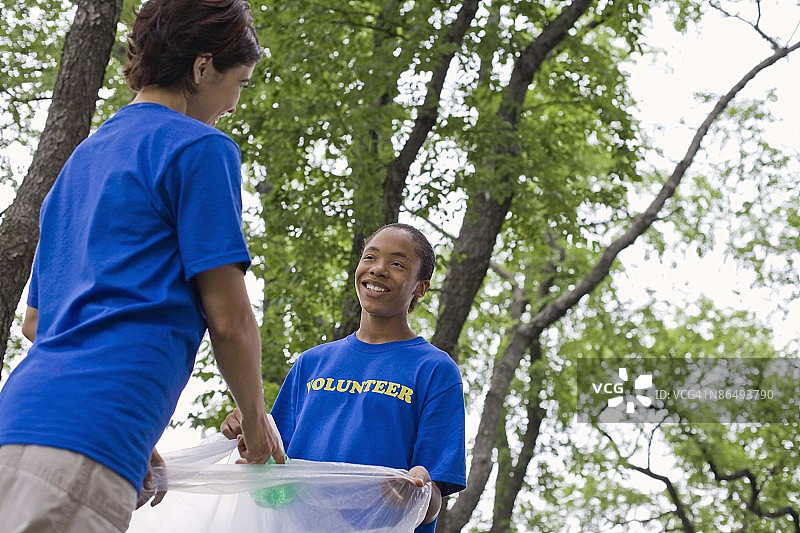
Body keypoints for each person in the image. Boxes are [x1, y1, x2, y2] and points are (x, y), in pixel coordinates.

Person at [0, 1, 283, 532]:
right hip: (89, 438)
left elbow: (37, 323)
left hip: (17, 422)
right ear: (202, 69)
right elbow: (228, 319)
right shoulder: (201, 149)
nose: (235, 103)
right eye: (239, 83)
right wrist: (256, 422)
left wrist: (135, 432)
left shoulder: (81, 161)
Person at [222, 223, 467, 533]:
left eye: (397, 264)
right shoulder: (312, 363)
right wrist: (253, 439)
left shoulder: (435, 369)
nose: (378, 270)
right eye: (370, 257)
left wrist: (415, 491)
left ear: (420, 286)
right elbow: (279, 492)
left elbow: (431, 504)